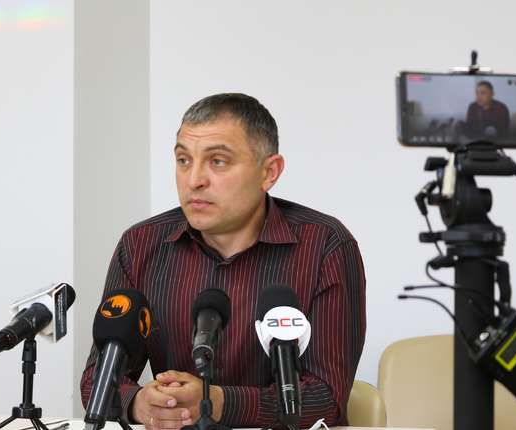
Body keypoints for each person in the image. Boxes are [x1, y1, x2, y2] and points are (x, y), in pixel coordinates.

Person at [80, 93, 366, 428]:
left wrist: (217, 402)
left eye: (217, 161)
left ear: (269, 172)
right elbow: (97, 379)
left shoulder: (326, 246)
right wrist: (140, 403)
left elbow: (326, 397)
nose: (194, 180)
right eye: (183, 160)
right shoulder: (140, 245)